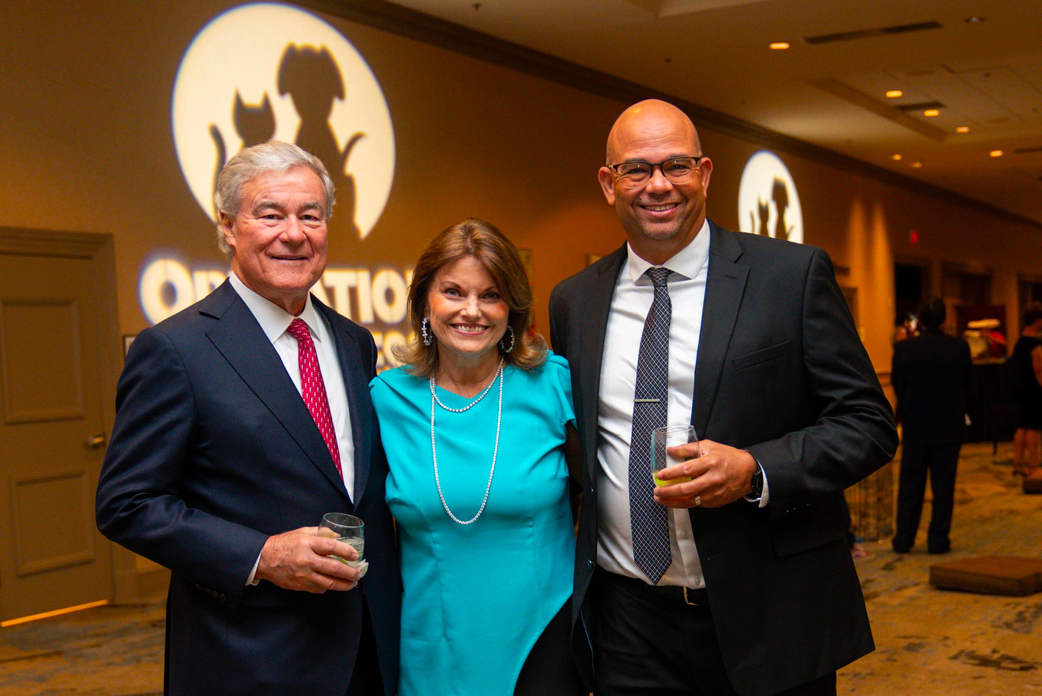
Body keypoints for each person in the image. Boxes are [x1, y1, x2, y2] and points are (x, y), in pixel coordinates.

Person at [548, 99, 898, 696]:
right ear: (609, 184)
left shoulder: (789, 276)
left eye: (676, 166)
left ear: (705, 174)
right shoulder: (574, 300)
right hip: (629, 621)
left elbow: (868, 423)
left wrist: (756, 469)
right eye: (637, 170)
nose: (658, 185)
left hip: (769, 612)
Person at [96, 141, 399, 696]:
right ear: (229, 226)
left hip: (363, 650)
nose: (294, 233)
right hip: (248, 656)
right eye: (270, 214)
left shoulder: (354, 341)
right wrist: (261, 555)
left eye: (311, 215)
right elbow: (127, 504)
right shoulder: (175, 349)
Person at [369, 219, 586, 696]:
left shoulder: (555, 383)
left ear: (512, 306)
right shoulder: (386, 399)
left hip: (544, 636)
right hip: (431, 645)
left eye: (491, 295)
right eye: (453, 292)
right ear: (425, 301)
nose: (472, 311)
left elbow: (595, 496)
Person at [891, 299, 972, 554]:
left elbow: (898, 385)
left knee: (910, 486)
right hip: (948, 424)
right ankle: (938, 540)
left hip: (916, 425)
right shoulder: (959, 347)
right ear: (945, 319)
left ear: (921, 321)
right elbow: (967, 383)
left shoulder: (905, 349)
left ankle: (904, 538)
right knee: (943, 486)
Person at [1012, 304, 1042, 476]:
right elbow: (1038, 368)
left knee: (1022, 426)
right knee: (1034, 428)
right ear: (1037, 320)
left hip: (1021, 387)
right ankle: (1033, 465)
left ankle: (1018, 464)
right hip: (1034, 389)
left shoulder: (1020, 341)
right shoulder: (1034, 343)